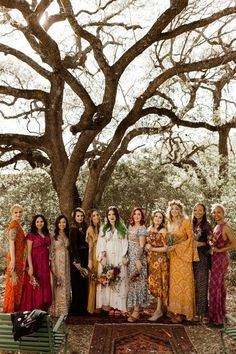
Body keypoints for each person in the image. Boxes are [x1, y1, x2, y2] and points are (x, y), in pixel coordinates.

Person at [167, 200, 198, 323]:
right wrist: (169, 247)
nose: (174, 211)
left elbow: (191, 240)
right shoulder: (169, 223)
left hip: (184, 257)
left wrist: (177, 247)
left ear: (180, 210)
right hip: (173, 257)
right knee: (174, 283)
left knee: (184, 283)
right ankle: (174, 310)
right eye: (172, 209)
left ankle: (183, 313)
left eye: (176, 209)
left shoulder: (186, 222)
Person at [96, 206, 128, 316]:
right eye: (109, 215)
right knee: (109, 279)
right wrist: (103, 256)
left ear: (117, 216)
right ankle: (109, 305)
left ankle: (118, 306)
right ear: (107, 216)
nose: (111, 217)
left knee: (119, 279)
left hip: (119, 257)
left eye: (113, 214)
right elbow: (101, 243)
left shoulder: (122, 227)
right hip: (108, 257)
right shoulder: (104, 228)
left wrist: (124, 256)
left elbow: (125, 243)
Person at [208, 204, 236, 327]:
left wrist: (220, 250)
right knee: (218, 286)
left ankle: (218, 320)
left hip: (221, 258)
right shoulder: (216, 227)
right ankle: (219, 313)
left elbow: (234, 244)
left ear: (223, 213)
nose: (216, 214)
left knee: (215, 286)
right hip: (214, 258)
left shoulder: (226, 228)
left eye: (219, 212)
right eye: (214, 212)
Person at [20, 214, 52, 312]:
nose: (39, 223)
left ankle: (43, 309)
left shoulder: (47, 234)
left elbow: (50, 248)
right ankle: (34, 309)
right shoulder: (31, 235)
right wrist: (30, 267)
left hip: (45, 263)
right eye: (37, 221)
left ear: (44, 223)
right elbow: (28, 252)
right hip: (35, 262)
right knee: (35, 285)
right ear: (34, 223)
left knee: (44, 283)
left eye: (41, 221)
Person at [145, 209, 168, 321]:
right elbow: (146, 244)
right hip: (151, 260)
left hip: (159, 261)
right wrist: (146, 247)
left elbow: (166, 248)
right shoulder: (149, 229)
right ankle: (161, 308)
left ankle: (158, 311)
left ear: (162, 219)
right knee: (153, 284)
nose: (158, 219)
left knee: (159, 285)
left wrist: (152, 248)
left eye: (160, 217)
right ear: (152, 218)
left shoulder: (163, 230)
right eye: (156, 217)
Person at [2, 204, 26, 313]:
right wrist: (13, 260)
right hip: (14, 259)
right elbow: (11, 243)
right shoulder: (13, 225)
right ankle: (10, 310)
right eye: (16, 212)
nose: (18, 214)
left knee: (17, 284)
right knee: (13, 283)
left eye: (20, 212)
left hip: (19, 259)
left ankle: (16, 310)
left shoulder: (18, 225)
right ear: (12, 214)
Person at [127, 207, 148, 322]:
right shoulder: (130, 227)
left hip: (138, 258)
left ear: (142, 216)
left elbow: (141, 246)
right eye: (135, 214)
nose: (136, 216)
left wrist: (138, 259)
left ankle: (136, 311)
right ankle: (136, 307)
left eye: (139, 214)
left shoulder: (142, 228)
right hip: (130, 257)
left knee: (137, 282)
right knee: (133, 283)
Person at [192, 203, 212, 324]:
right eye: (195, 210)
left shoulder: (207, 225)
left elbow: (211, 243)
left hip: (203, 258)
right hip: (192, 258)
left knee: (202, 285)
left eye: (200, 210)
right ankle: (195, 311)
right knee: (194, 284)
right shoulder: (193, 224)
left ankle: (203, 313)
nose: (197, 212)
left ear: (204, 212)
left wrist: (201, 243)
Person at [50, 215, 71, 317]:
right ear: (57, 224)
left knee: (66, 284)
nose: (62, 224)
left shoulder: (68, 235)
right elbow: (51, 253)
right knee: (58, 284)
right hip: (57, 263)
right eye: (60, 222)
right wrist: (53, 267)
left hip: (66, 263)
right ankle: (58, 310)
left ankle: (66, 309)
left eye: (64, 222)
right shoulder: (53, 236)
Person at [69, 207, 88, 315]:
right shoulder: (73, 228)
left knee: (84, 282)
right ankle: (76, 309)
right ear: (74, 217)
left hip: (85, 256)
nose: (80, 218)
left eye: (81, 216)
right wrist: (77, 260)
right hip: (77, 258)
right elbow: (73, 246)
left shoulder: (85, 227)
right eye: (78, 216)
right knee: (77, 283)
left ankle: (83, 307)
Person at [86, 209, 101, 314]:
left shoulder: (102, 228)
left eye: (97, 215)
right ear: (91, 218)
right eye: (93, 216)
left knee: (101, 280)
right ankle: (92, 307)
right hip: (94, 256)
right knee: (93, 280)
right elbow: (90, 248)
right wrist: (90, 260)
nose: (96, 217)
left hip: (102, 257)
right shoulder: (90, 229)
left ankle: (99, 306)